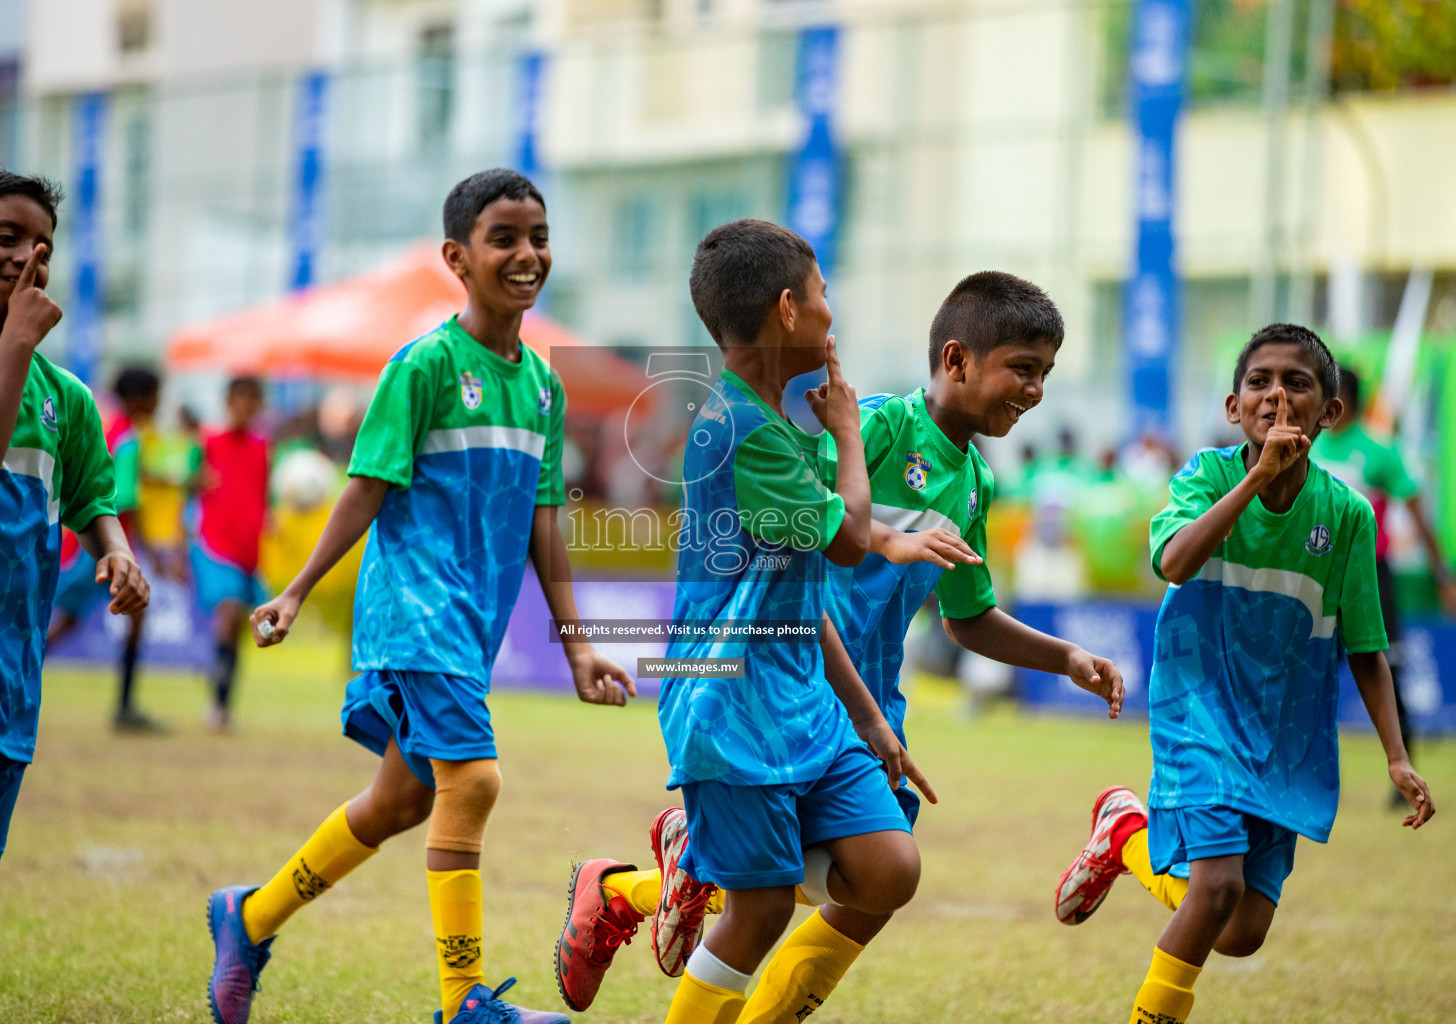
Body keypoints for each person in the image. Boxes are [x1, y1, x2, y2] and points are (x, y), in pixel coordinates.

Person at [555, 272, 1127, 1021]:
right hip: (792, 685)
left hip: (868, 701)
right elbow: (810, 537)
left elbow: (968, 617)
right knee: (766, 893)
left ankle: (659, 876)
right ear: (957, 361)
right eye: (1024, 368)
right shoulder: (881, 428)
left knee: (882, 881)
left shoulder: (978, 484)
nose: (1036, 390)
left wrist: (1066, 657)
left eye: (1045, 373)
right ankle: (672, 874)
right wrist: (882, 533)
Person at [204, 169, 632, 1024]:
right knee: (471, 783)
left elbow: (547, 523)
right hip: (415, 614)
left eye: (538, 236)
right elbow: (365, 488)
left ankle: (247, 918)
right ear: (457, 257)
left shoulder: (545, 388)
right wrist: (293, 591)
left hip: (466, 628)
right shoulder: (424, 366)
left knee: (401, 800)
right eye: (504, 237)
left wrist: (578, 641)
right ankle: (463, 1002)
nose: (526, 253)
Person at [1053, 324, 1436, 1024]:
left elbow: (1365, 643)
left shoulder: (1346, 515)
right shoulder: (1205, 476)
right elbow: (1173, 563)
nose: (1276, 396)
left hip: (1283, 734)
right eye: (1259, 382)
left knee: (1240, 930)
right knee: (1218, 886)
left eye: (1298, 383)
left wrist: (1396, 755)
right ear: (1234, 407)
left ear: (1331, 413)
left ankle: (1124, 835)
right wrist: (1257, 479)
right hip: (1197, 711)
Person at [0, 171, 148, 1023]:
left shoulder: (68, 401)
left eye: (43, 247)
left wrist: (117, 554)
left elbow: (93, 499)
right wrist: (15, 343)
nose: (29, 259)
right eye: (7, 238)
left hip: (11, 670)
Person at [1310, 366, 1456, 795]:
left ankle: (1402, 768)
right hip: (1318, 574)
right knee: (1314, 670)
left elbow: (1417, 513)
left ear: (1342, 400)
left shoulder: (1380, 451)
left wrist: (1442, 574)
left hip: (1372, 575)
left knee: (1385, 665)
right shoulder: (1310, 448)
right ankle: (1301, 771)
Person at [48, 365, 164, 732]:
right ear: (141, 397)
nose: (159, 402)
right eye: (155, 394)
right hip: (100, 549)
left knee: (79, 620)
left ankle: (126, 706)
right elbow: (125, 501)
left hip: (89, 545)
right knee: (67, 621)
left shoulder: (108, 428)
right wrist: (150, 549)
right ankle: (125, 707)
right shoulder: (129, 438)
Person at [189, 376, 270, 731]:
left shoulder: (262, 447)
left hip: (248, 549)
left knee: (239, 627)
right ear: (227, 401)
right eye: (239, 400)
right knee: (229, 611)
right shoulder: (206, 442)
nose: (245, 407)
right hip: (214, 544)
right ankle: (218, 704)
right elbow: (184, 484)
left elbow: (264, 496)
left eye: (252, 400)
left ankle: (222, 698)